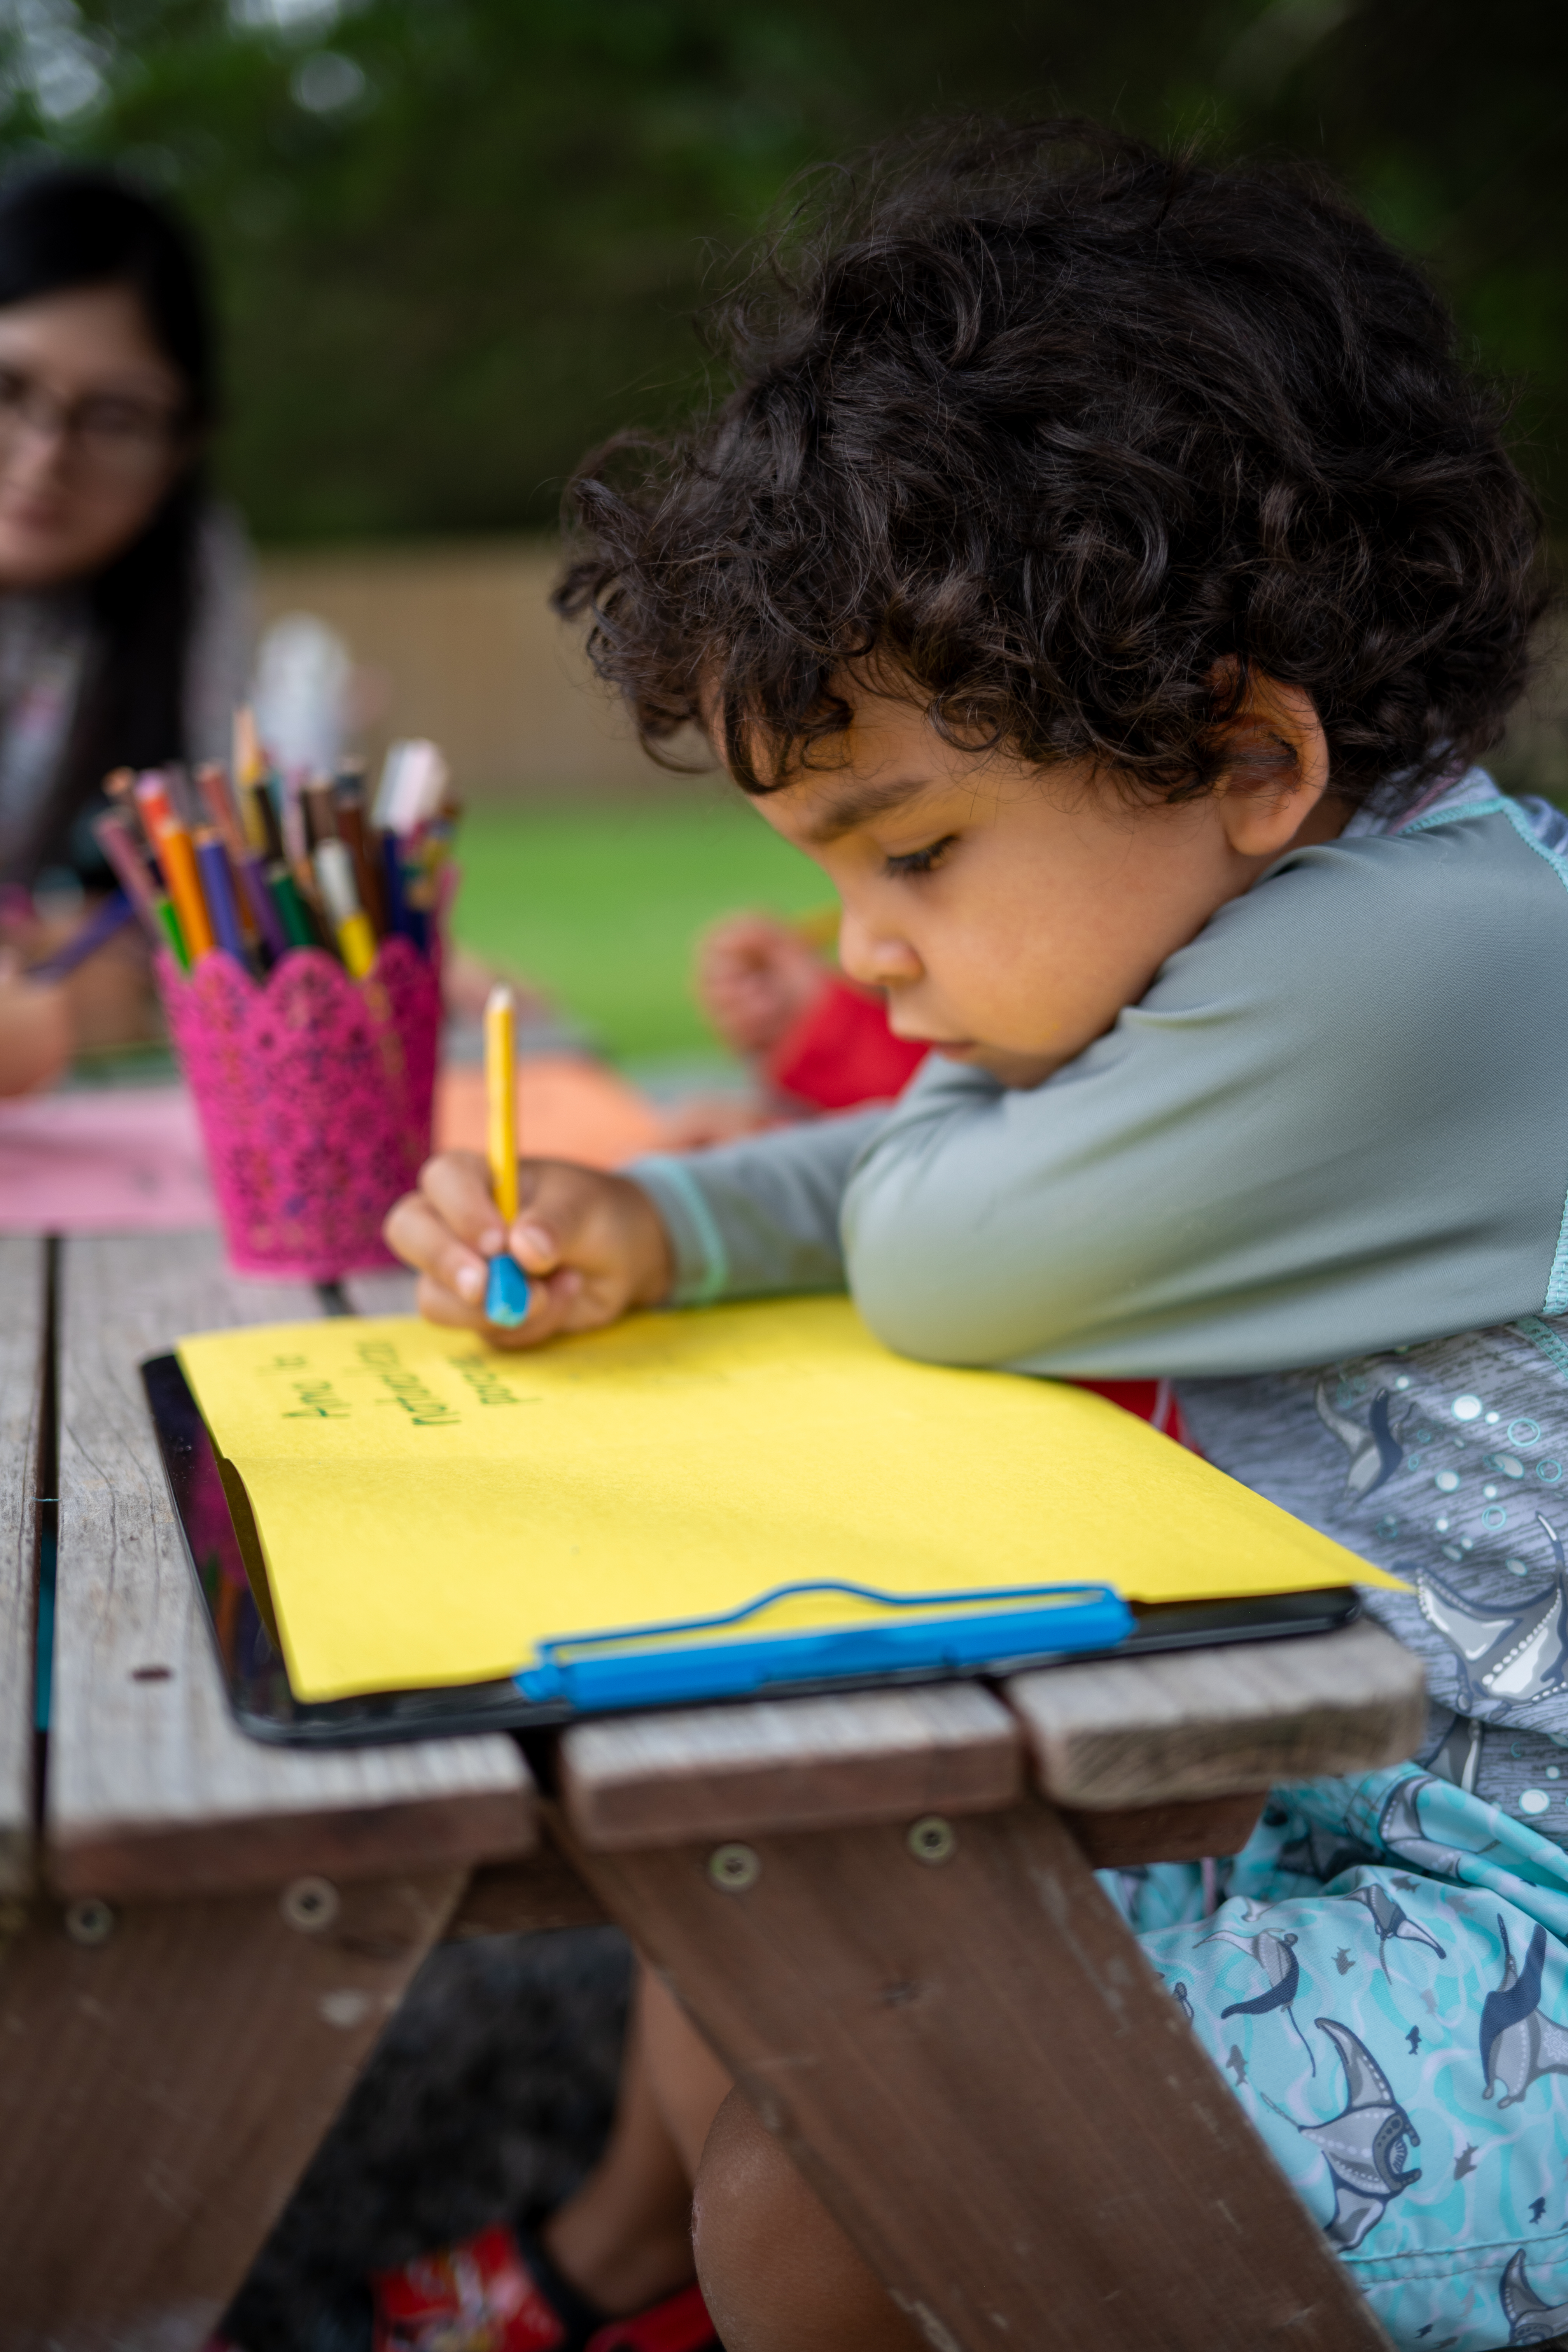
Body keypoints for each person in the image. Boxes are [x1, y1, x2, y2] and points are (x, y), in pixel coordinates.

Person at [383, 124, 1562, 2352]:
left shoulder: (1435, 962)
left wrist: (851, 1157)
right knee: (801, 1920)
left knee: (838, 2177)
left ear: (1248, 755)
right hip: (1353, 1808)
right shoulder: (1327, 898)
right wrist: (667, 1218)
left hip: (1530, 1933)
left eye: (910, 855)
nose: (873, 962)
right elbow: (966, 1181)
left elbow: (944, 1247)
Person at [0, 163, 250, 1063]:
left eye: (113, 417)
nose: (43, 457)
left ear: (183, 445)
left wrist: (126, 977)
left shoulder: (189, 576)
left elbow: (194, 917)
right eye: (7, 389)